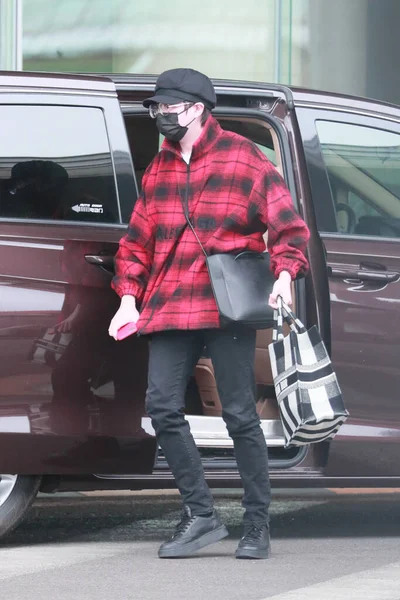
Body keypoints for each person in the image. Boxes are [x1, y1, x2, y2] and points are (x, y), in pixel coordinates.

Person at [109, 68, 310, 559]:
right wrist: (127, 298)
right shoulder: (159, 168)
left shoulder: (245, 157)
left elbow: (288, 226)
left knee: (240, 414)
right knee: (161, 407)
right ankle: (200, 515)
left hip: (226, 306)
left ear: (197, 108)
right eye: (156, 108)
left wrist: (284, 276)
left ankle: (256, 524)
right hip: (171, 302)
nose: (160, 116)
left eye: (168, 108)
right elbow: (137, 242)